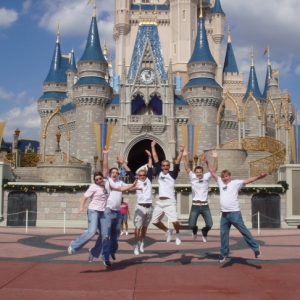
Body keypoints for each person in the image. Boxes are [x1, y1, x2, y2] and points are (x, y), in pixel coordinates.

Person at [203, 155, 267, 263]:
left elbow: (247, 181)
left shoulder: (235, 183)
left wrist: (258, 177)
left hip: (234, 214)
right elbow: (212, 172)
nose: (225, 178)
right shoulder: (220, 182)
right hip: (224, 215)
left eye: (226, 176)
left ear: (230, 176)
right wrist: (207, 162)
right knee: (223, 234)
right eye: (223, 176)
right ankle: (223, 253)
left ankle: (256, 249)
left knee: (244, 232)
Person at [89, 147, 140, 266]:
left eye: (117, 173)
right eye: (113, 172)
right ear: (109, 174)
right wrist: (105, 155)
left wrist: (135, 186)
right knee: (106, 236)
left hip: (117, 212)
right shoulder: (107, 181)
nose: (115, 174)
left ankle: (111, 251)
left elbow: (130, 183)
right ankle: (105, 256)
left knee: (115, 235)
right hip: (107, 211)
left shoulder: (120, 182)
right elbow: (105, 168)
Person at [118, 150, 153, 255]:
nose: (142, 176)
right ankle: (135, 245)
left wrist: (150, 156)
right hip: (140, 207)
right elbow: (129, 171)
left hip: (150, 207)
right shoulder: (136, 181)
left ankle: (142, 242)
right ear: (138, 176)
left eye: (144, 175)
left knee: (145, 227)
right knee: (138, 227)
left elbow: (150, 167)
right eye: (140, 175)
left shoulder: (149, 180)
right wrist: (123, 163)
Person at [151, 141, 184, 245]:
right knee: (154, 221)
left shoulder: (173, 174)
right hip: (160, 201)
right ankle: (167, 230)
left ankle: (178, 234)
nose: (165, 167)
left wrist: (181, 152)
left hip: (170, 201)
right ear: (161, 167)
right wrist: (153, 147)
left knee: (175, 222)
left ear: (169, 167)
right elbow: (155, 158)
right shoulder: (160, 173)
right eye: (163, 165)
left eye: (167, 165)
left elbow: (178, 161)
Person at [182, 148, 218, 242]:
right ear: (195, 173)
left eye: (200, 172)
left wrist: (215, 158)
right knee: (191, 225)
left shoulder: (206, 176)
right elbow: (186, 167)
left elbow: (214, 170)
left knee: (210, 224)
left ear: (202, 172)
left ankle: (204, 231)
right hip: (195, 205)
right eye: (197, 172)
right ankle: (195, 230)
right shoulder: (192, 177)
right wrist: (183, 156)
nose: (198, 174)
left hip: (205, 205)